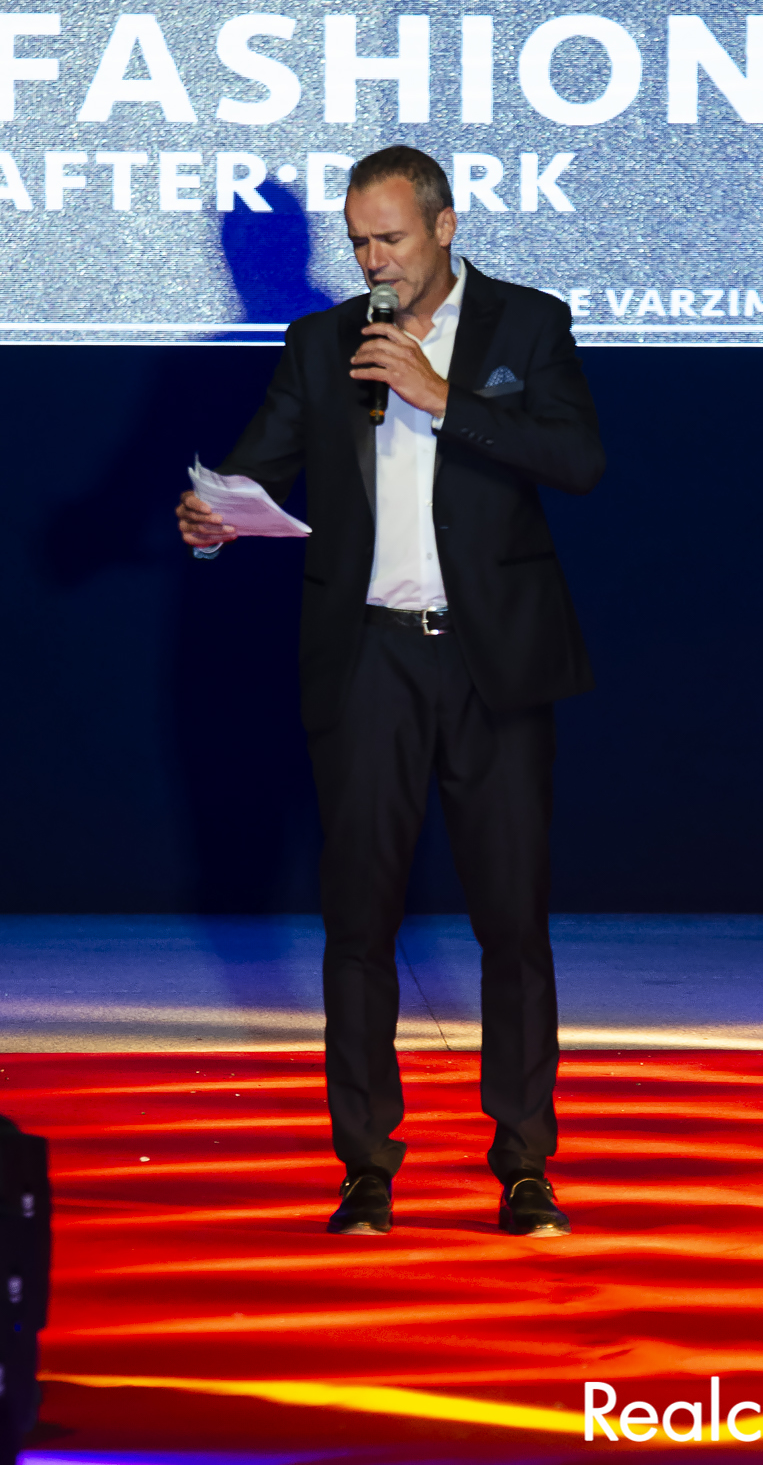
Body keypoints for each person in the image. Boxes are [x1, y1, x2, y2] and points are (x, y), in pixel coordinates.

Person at [175, 145, 604, 1238]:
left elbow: (578, 460)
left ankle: (525, 1163)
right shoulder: (322, 343)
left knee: (513, 922)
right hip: (369, 661)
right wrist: (215, 517)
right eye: (359, 241)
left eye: (392, 239)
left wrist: (441, 396)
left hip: (493, 662)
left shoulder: (527, 324)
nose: (373, 261)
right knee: (358, 920)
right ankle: (365, 1163)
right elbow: (255, 468)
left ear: (445, 227)